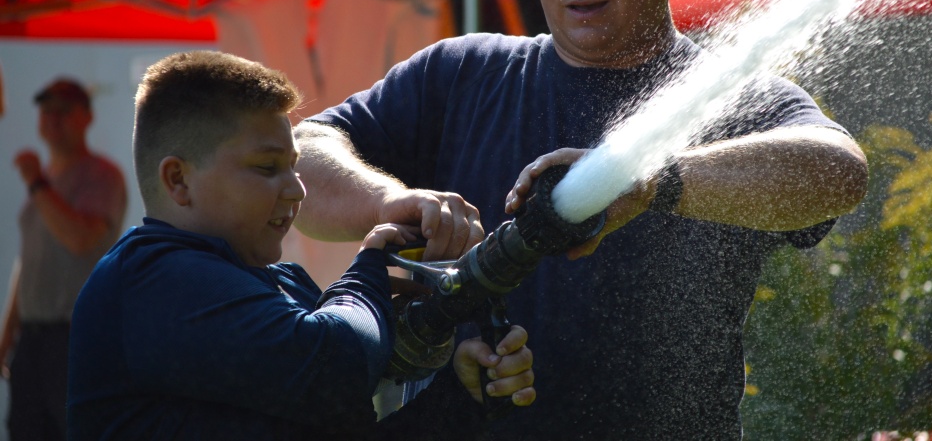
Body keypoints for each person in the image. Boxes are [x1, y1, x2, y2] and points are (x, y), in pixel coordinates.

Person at [291, 0, 869, 440]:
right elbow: (302, 161)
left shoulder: (726, 97)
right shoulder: (462, 72)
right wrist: (390, 203)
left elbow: (839, 171)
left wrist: (650, 181)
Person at [67, 50, 535, 441]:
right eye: (267, 168)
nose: (296, 189)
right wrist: (369, 268)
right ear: (178, 179)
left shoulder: (278, 284)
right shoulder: (150, 277)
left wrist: (462, 397)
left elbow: (347, 418)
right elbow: (337, 367)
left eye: (293, 167)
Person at [1, 78, 126, 441]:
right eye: (47, 110)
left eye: (64, 110)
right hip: (33, 338)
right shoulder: (45, 182)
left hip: (73, 334)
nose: (53, 119)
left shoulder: (100, 175)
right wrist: (8, 335)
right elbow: (28, 262)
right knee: (25, 430)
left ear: (86, 117)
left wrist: (37, 184)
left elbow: (79, 239)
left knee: (75, 430)